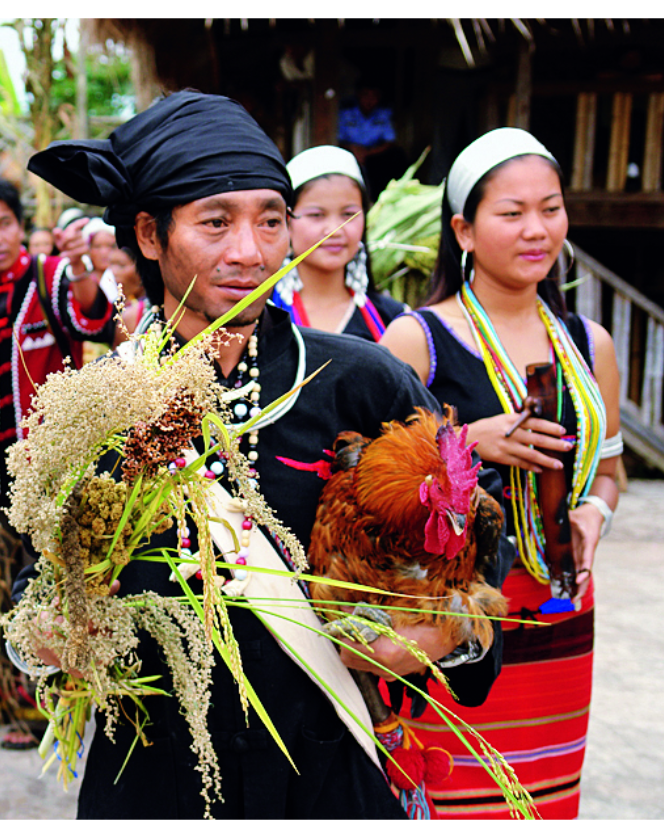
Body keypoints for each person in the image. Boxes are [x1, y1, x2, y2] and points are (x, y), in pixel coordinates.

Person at [25, 89, 505, 820]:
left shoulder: (359, 379)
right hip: (156, 779)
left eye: (272, 220)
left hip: (330, 775)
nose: (250, 252)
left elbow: (475, 541)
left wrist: (435, 635)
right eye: (216, 222)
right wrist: (54, 636)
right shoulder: (92, 408)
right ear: (150, 234)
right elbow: (35, 589)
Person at [380, 127, 621, 820]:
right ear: (463, 229)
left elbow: (610, 471)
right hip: (453, 617)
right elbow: (366, 482)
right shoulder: (416, 341)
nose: (536, 230)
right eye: (512, 213)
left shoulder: (589, 343)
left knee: (546, 794)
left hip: (560, 609)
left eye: (551, 209)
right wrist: (467, 443)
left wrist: (595, 512)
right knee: (456, 793)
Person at [0, 173, 115, 748]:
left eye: (3, 224)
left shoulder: (52, 278)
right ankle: (1, 689)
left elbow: (94, 320)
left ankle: (45, 705)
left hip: (52, 471)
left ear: (20, 226)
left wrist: (83, 266)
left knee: (43, 584)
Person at [270, 146, 406, 341]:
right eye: (316, 215)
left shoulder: (395, 320)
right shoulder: (261, 315)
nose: (335, 230)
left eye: (348, 214)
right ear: (287, 221)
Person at [338, 84, 407, 198]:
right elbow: (337, 139)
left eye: (373, 96)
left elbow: (390, 141)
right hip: (351, 152)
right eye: (366, 95)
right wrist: (354, 149)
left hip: (374, 154)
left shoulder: (383, 114)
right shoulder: (346, 113)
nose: (369, 100)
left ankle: (383, 196)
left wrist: (368, 153)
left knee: (395, 156)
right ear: (358, 95)